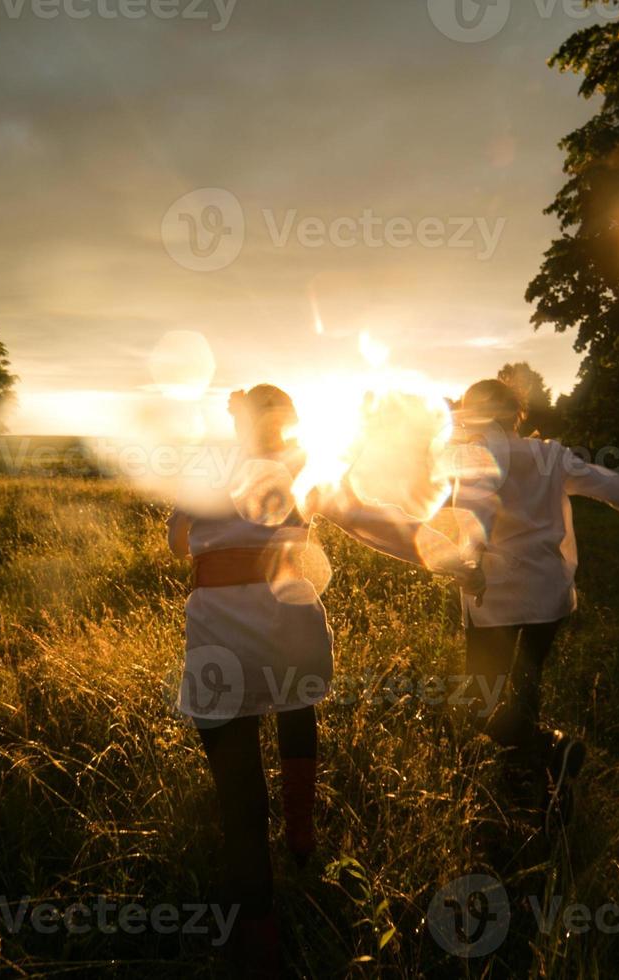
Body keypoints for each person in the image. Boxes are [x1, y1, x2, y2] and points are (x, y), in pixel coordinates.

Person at [167, 384, 478, 976]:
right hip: (291, 625)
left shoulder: (204, 469)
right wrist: (456, 560)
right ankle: (302, 835)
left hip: (220, 638)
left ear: (240, 424)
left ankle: (259, 938)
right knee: (296, 706)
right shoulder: (304, 469)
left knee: (239, 794)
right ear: (289, 425)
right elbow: (380, 525)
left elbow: (177, 542)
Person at [448, 379, 619, 787]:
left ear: (473, 415)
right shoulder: (549, 457)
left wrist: (470, 556)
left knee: (478, 701)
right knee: (525, 684)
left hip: (493, 597)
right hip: (546, 596)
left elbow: (476, 514)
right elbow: (613, 486)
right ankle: (533, 775)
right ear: (516, 414)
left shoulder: (474, 459)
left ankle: (544, 751)